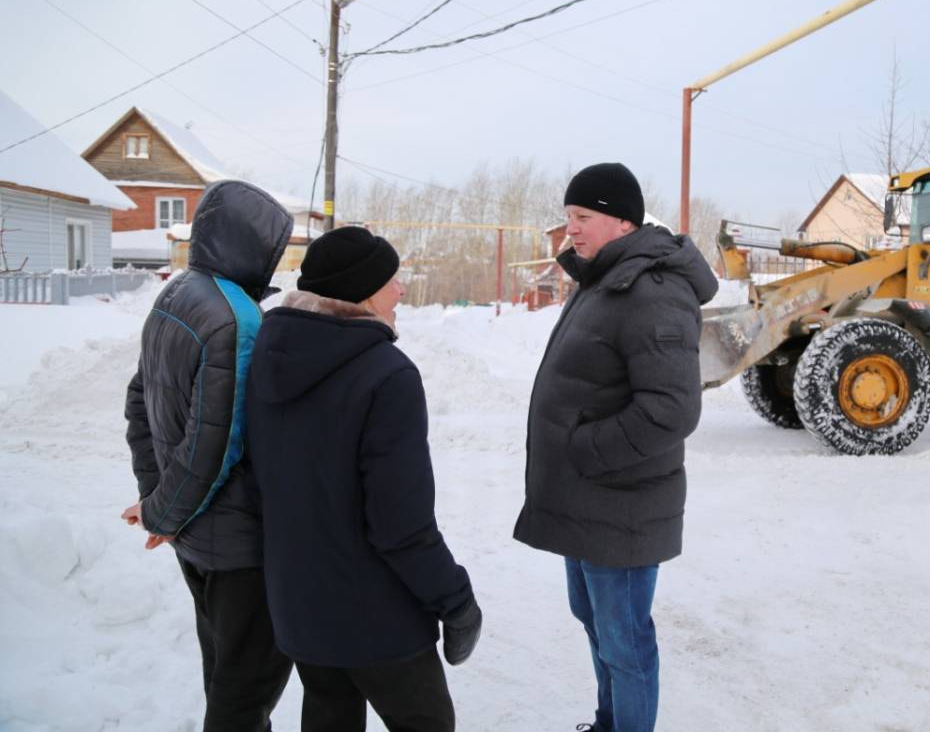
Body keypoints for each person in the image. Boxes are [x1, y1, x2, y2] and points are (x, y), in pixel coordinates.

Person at [244, 226, 481, 732]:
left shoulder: (268, 354)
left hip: (300, 607)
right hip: (377, 619)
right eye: (392, 280)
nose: (401, 291)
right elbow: (401, 525)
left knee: (329, 717)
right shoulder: (386, 374)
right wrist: (456, 601)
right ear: (362, 290)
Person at [513, 162, 718, 732]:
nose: (570, 229)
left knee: (625, 640)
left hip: (621, 500)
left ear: (622, 221)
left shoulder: (652, 289)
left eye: (582, 216)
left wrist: (584, 449)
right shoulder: (603, 279)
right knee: (596, 623)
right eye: (568, 217)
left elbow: (673, 409)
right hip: (588, 498)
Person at [122, 179, 295, 731]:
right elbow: (214, 446)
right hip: (239, 547)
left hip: (198, 539)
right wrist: (161, 511)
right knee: (243, 696)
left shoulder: (176, 293)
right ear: (252, 243)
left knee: (223, 674)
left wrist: (158, 500)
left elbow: (138, 399)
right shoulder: (236, 320)